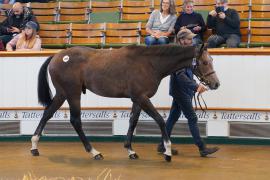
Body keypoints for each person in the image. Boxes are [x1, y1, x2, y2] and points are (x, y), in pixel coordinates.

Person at [157, 28, 219, 157]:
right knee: (192, 117)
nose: (192, 41)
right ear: (181, 40)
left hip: (182, 90)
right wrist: (196, 86)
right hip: (180, 90)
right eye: (189, 39)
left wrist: (202, 81)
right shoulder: (178, 55)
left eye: (192, 38)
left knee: (173, 117)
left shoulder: (187, 52)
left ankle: (162, 145)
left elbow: (192, 70)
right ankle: (202, 148)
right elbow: (181, 76)